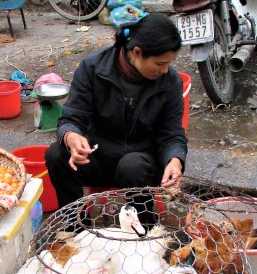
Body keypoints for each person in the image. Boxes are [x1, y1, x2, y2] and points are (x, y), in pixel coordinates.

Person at [45, 13, 187, 226]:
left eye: (169, 63)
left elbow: (172, 134)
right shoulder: (93, 69)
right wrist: (71, 136)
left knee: (132, 166)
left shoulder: (170, 81)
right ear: (137, 53)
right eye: (160, 63)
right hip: (98, 157)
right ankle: (74, 227)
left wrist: (175, 160)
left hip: (141, 165)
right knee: (56, 154)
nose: (165, 69)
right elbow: (71, 117)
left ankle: (145, 228)